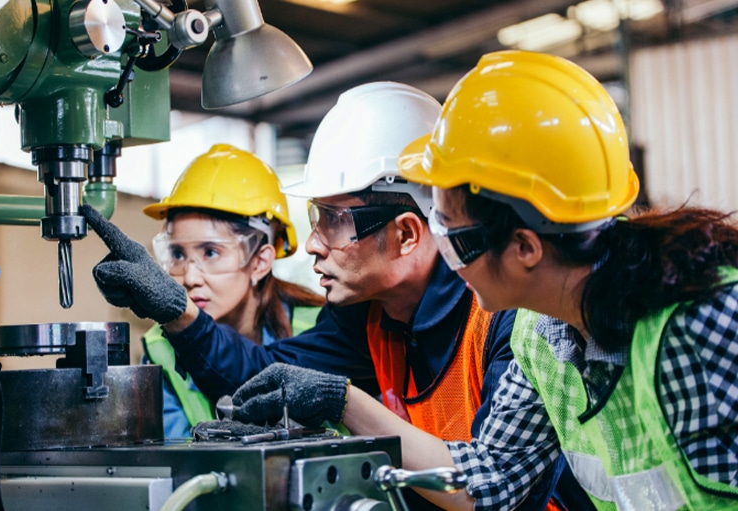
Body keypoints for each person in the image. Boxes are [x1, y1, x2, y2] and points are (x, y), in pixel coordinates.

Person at [232, 50, 738, 510]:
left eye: (449, 228)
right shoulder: (542, 338)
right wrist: (342, 400)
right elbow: (490, 480)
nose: (441, 249)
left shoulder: (698, 325)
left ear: (525, 248)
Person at [82, 82, 574, 510]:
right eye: (316, 218)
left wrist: (344, 402)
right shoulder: (365, 317)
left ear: (406, 234)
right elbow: (262, 377)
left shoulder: (509, 321)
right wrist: (178, 311)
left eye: (334, 221)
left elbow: (490, 491)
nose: (313, 243)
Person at [141, 144, 325, 438]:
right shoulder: (161, 347)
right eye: (177, 254)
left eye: (211, 253)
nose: (190, 277)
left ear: (260, 261)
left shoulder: (318, 327)